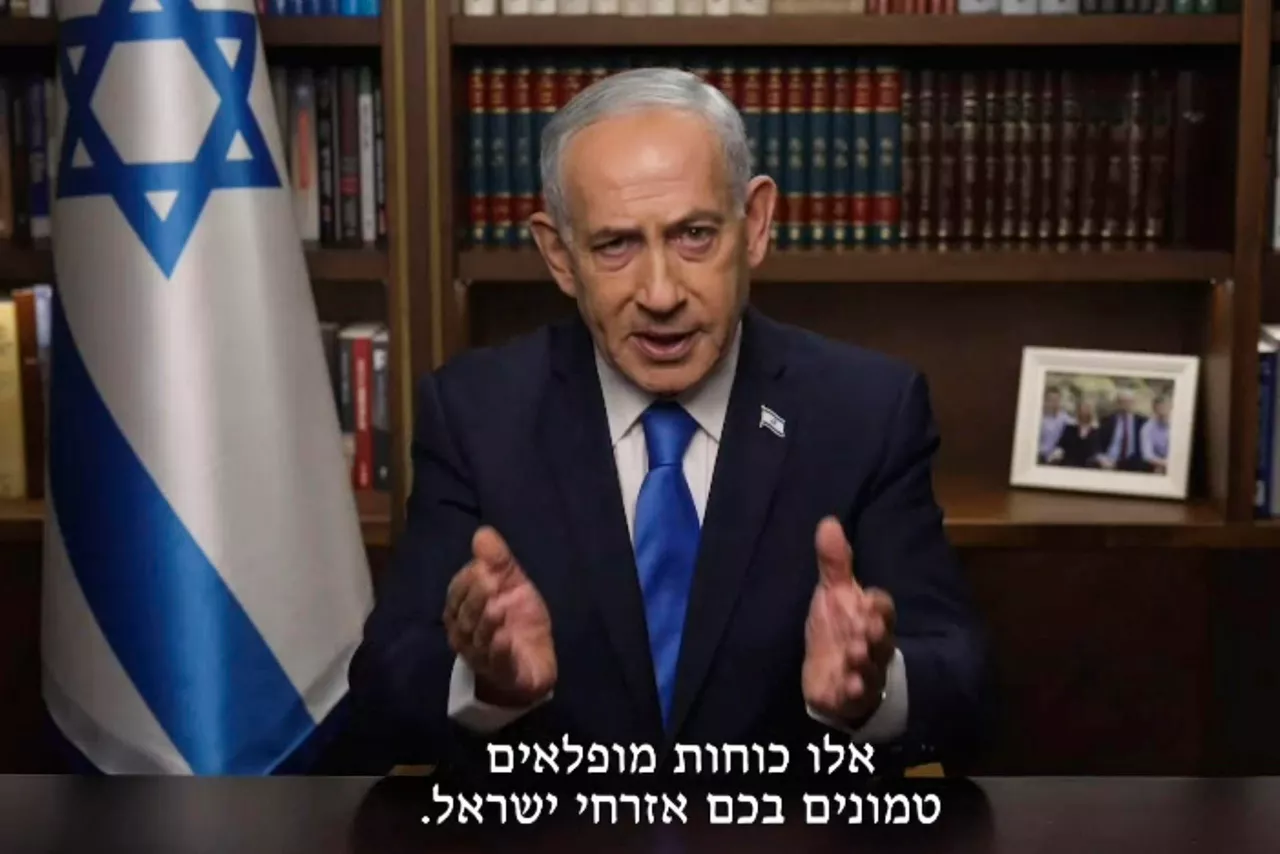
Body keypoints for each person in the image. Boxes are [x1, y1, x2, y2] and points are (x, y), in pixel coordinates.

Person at [346, 68, 985, 787]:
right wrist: (486, 685)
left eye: (694, 235)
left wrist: (875, 688)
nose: (659, 293)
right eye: (615, 245)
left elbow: (965, 686)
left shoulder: (867, 410)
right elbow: (382, 694)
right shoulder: (475, 413)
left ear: (757, 224)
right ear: (559, 255)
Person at [1099, 386, 1148, 472]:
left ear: (1134, 403)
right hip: (1110, 460)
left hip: (1133, 462)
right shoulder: (1107, 420)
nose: (1126, 405)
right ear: (1117, 403)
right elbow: (1098, 443)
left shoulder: (1142, 422)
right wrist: (1102, 458)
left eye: (1129, 402)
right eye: (1123, 402)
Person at [1047, 395, 1104, 469]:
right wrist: (1055, 456)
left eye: (1087, 408)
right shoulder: (1070, 426)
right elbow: (1062, 445)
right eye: (1083, 407)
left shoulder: (1096, 429)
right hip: (1069, 464)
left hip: (1088, 466)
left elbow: (1097, 450)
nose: (1085, 411)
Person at [1038, 386, 1075, 464]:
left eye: (1056, 400)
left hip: (1059, 459)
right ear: (1046, 401)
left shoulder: (1067, 420)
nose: (1054, 403)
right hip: (1041, 457)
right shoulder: (1040, 419)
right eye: (1051, 400)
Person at [1139, 394, 1171, 474]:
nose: (1163, 411)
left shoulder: (1181, 424)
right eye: (1159, 408)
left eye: (1165, 407)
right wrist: (1164, 463)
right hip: (1159, 464)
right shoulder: (1147, 427)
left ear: (1171, 408)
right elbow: (1147, 455)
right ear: (1154, 410)